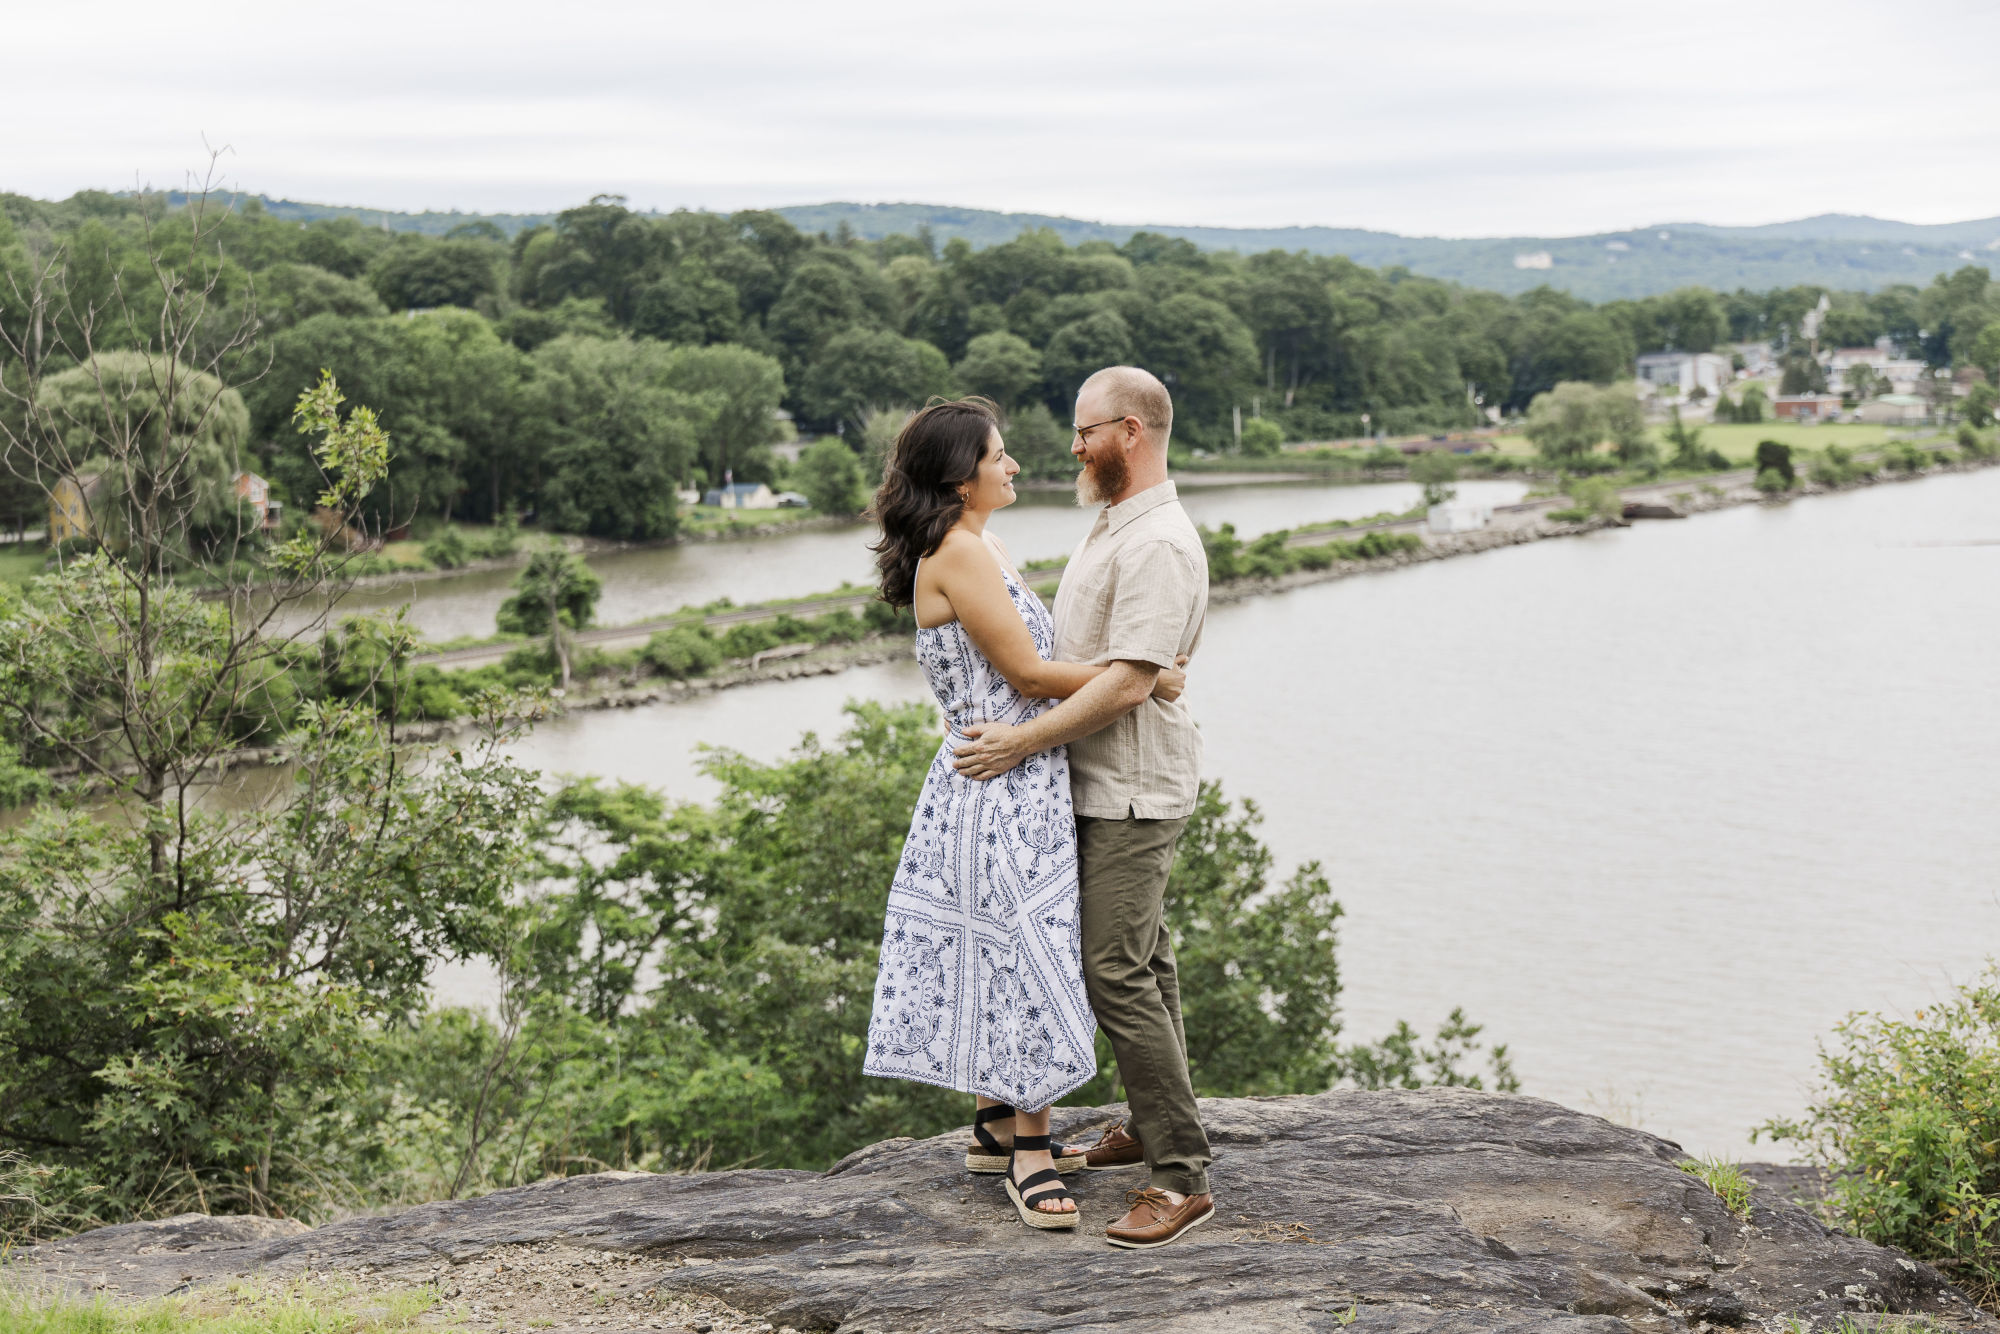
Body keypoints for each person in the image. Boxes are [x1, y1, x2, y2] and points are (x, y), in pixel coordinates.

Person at [861, 396, 1186, 1232]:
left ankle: (994, 1120)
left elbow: (1040, 664)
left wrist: (1124, 669)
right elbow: (1033, 673)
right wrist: (1145, 674)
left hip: (1013, 770)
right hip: (1000, 775)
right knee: (1026, 953)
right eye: (998, 456)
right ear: (958, 476)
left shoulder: (982, 543)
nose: (1014, 465)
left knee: (1008, 940)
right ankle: (1030, 1153)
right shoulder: (960, 552)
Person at [951, 366, 1216, 1250]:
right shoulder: (1114, 527)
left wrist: (1020, 742)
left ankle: (1179, 1178)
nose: (1072, 448)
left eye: (1084, 432)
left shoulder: (1158, 545)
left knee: (1114, 972)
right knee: (1148, 961)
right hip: (1099, 784)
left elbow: (1130, 684)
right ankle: (1149, 1127)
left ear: (1131, 432)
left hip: (1132, 791)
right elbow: (1109, 665)